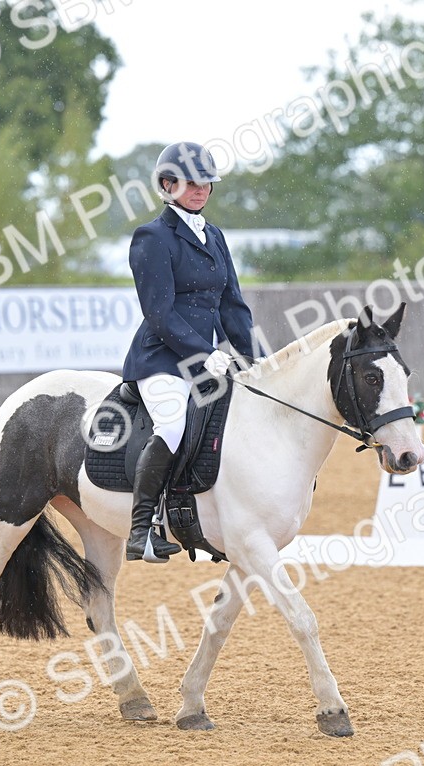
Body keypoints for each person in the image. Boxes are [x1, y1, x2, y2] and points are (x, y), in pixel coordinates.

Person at [120, 141, 259, 563]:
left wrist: (258, 358)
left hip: (206, 357)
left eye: (206, 183)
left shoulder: (213, 236)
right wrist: (204, 353)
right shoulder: (152, 237)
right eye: (189, 183)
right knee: (173, 425)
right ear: (167, 185)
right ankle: (141, 530)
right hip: (161, 359)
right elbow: (159, 313)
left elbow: (232, 305)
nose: (200, 190)